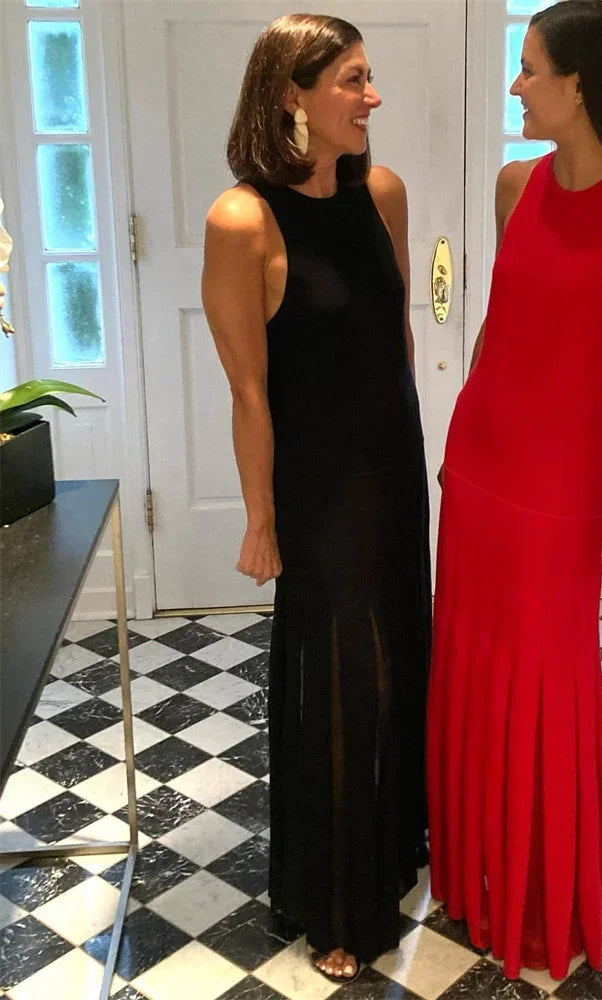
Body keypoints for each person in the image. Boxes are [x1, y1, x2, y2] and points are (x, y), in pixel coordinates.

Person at [427, 0, 602, 981]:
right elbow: (499, 327)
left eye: (530, 67)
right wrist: (459, 439)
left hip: (558, 493)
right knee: (469, 670)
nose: (517, 85)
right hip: (479, 471)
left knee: (543, 688)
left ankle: (541, 903)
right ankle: (473, 879)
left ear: (581, 84)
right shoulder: (517, 184)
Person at [201, 13, 431, 983]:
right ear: (291, 93)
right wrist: (261, 518)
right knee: (342, 682)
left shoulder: (383, 192)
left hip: (393, 471)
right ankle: (335, 898)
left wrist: (421, 447)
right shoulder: (243, 220)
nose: (372, 97)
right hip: (319, 487)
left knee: (400, 665)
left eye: (369, 77)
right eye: (351, 79)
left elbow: (398, 337)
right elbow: (248, 392)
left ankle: (392, 847)